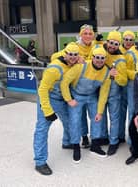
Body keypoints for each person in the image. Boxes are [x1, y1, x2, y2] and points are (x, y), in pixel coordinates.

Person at [33, 43, 80, 175]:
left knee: (68, 121)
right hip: (47, 99)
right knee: (42, 128)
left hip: (62, 99)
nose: (73, 57)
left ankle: (67, 142)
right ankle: (40, 162)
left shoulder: (74, 64)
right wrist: (48, 111)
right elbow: (42, 90)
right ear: (65, 54)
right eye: (70, 54)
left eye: (75, 55)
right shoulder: (54, 69)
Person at [61, 47, 111, 162]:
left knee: (97, 119)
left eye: (102, 58)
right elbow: (64, 82)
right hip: (77, 96)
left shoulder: (106, 73)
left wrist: (99, 112)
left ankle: (95, 145)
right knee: (74, 120)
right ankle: (76, 146)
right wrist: (69, 99)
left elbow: (104, 93)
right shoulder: (80, 66)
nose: (99, 60)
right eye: (97, 57)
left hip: (92, 96)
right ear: (92, 57)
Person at [100, 30, 128, 155]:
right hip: (99, 92)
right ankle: (103, 137)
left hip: (114, 94)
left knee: (114, 118)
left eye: (116, 44)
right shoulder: (100, 51)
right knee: (101, 117)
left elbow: (124, 81)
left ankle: (113, 142)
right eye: (111, 43)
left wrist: (115, 75)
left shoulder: (121, 59)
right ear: (107, 41)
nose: (112, 46)